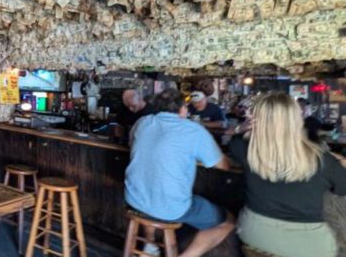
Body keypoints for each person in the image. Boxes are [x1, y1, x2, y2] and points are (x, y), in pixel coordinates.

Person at [229, 93, 346, 257]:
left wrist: (241, 128)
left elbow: (232, 139)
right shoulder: (322, 159)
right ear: (296, 119)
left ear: (256, 120)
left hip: (254, 234)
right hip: (307, 244)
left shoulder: (242, 147)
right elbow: (342, 189)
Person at [125, 88, 234, 257]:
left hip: (135, 198)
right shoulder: (193, 130)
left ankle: (150, 245)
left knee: (151, 192)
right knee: (227, 222)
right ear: (183, 108)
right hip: (170, 208)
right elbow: (224, 166)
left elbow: (133, 145)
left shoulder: (142, 122)